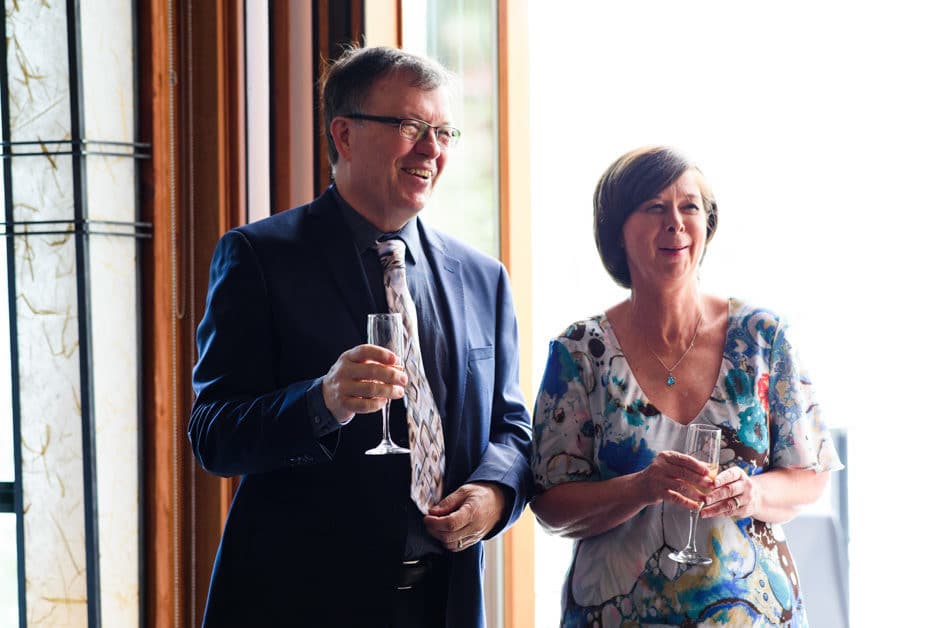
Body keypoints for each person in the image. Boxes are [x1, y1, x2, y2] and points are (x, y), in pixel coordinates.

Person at [189, 46, 532, 627]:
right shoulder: (260, 257)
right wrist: (321, 400)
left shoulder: (484, 279)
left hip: (445, 605)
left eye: (444, 131)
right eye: (410, 126)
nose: (432, 148)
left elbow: (513, 432)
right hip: (301, 603)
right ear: (344, 135)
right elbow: (213, 434)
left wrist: (495, 497)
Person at [530, 146, 844, 626]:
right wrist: (641, 488)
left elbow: (811, 475)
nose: (675, 223)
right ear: (617, 230)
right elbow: (551, 505)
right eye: (655, 207)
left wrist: (752, 495)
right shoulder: (579, 352)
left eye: (689, 206)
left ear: (707, 224)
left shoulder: (763, 336)